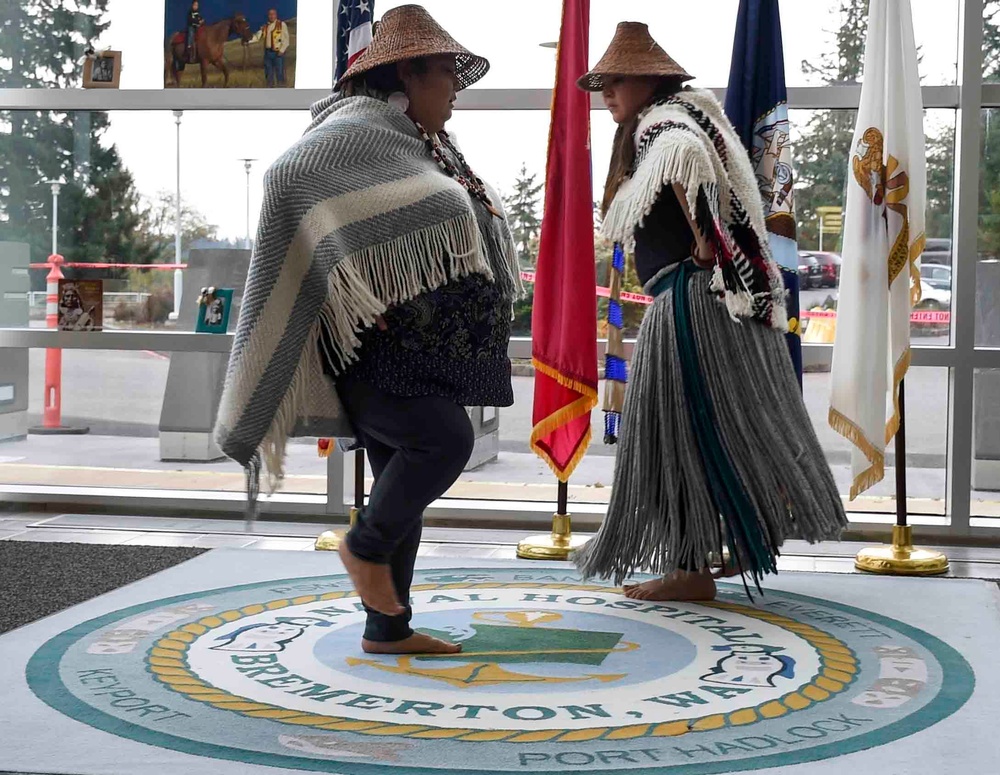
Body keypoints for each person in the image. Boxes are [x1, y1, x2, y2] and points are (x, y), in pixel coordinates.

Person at [215, 5, 520, 656]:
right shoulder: (358, 127)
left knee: (400, 488)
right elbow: (288, 177)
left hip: (411, 355)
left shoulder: (422, 144)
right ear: (407, 74)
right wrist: (360, 279)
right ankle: (364, 547)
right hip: (376, 354)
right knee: (444, 442)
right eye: (446, 74)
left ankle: (388, 626)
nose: (455, 90)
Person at [571, 22, 847, 601]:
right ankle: (730, 545)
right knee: (710, 428)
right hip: (711, 297)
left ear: (648, 81)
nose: (607, 94)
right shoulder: (691, 116)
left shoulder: (664, 126)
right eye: (604, 83)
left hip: (691, 302)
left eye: (616, 81)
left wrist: (705, 240)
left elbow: (687, 165)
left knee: (677, 431)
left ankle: (692, 568)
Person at [251, 8, 290, 87]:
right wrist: (247, 41)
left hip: (278, 53)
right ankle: (270, 88)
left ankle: (281, 89)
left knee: (279, 72)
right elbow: (257, 37)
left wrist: (282, 50)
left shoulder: (281, 24)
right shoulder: (265, 27)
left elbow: (286, 39)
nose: (271, 16)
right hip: (268, 53)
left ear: (276, 15)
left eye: (273, 14)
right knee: (268, 73)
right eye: (270, 14)